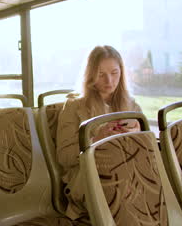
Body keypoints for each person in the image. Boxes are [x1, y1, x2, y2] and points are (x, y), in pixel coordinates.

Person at [56, 45, 142, 221]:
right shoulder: (74, 106)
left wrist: (138, 134)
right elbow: (63, 157)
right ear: (90, 74)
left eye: (114, 73)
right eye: (101, 74)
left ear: (122, 73)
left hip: (126, 171)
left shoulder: (132, 106)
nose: (109, 81)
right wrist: (95, 139)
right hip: (86, 175)